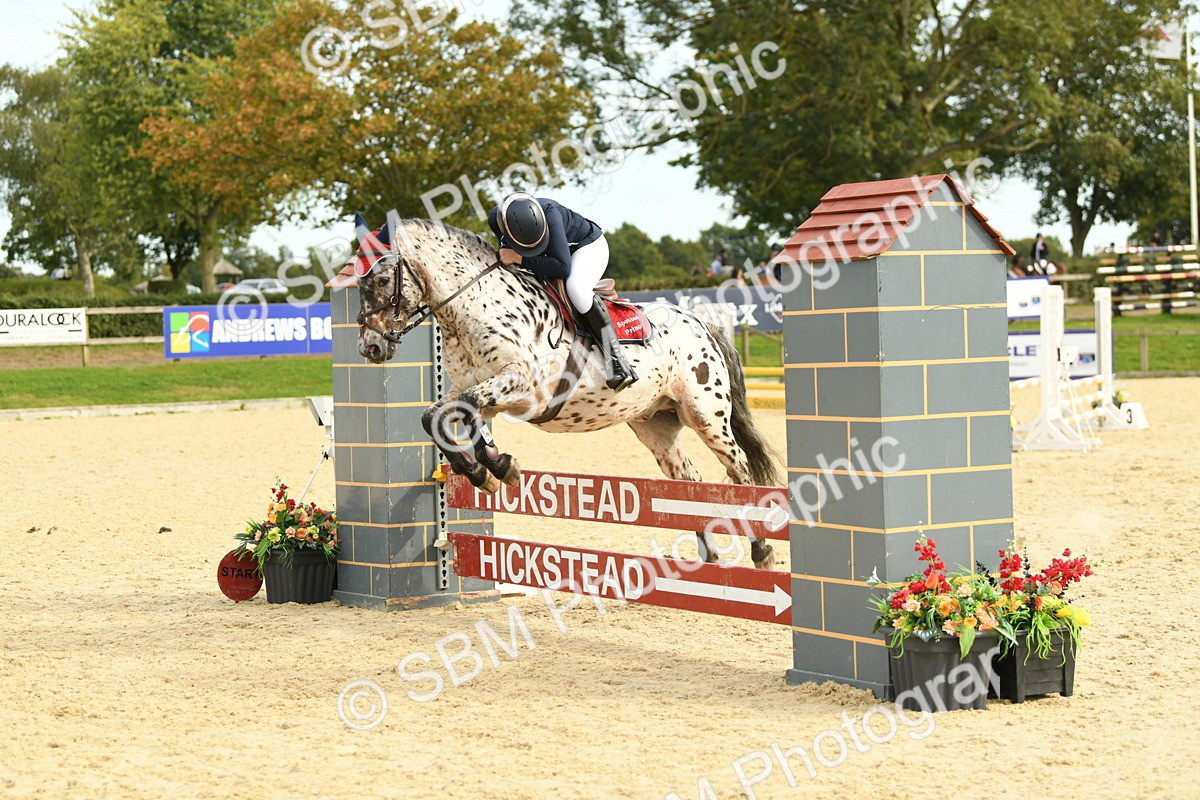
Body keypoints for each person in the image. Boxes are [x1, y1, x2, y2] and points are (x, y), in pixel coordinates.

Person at [488, 192, 637, 391]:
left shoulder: (550, 215)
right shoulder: (496, 218)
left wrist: (519, 258)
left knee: (576, 288)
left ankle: (617, 360)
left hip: (586, 247)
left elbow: (562, 268)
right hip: (549, 254)